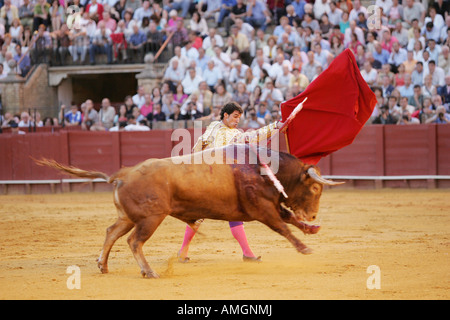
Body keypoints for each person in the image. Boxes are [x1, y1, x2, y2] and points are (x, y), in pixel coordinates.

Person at [178, 101, 286, 263]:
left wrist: (275, 126)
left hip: (218, 179)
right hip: (213, 179)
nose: (237, 121)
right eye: (235, 117)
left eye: (239, 118)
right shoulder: (221, 129)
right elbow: (201, 143)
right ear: (226, 115)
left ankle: (246, 253)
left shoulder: (226, 131)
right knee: (220, 213)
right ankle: (246, 254)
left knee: (211, 214)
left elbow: (199, 145)